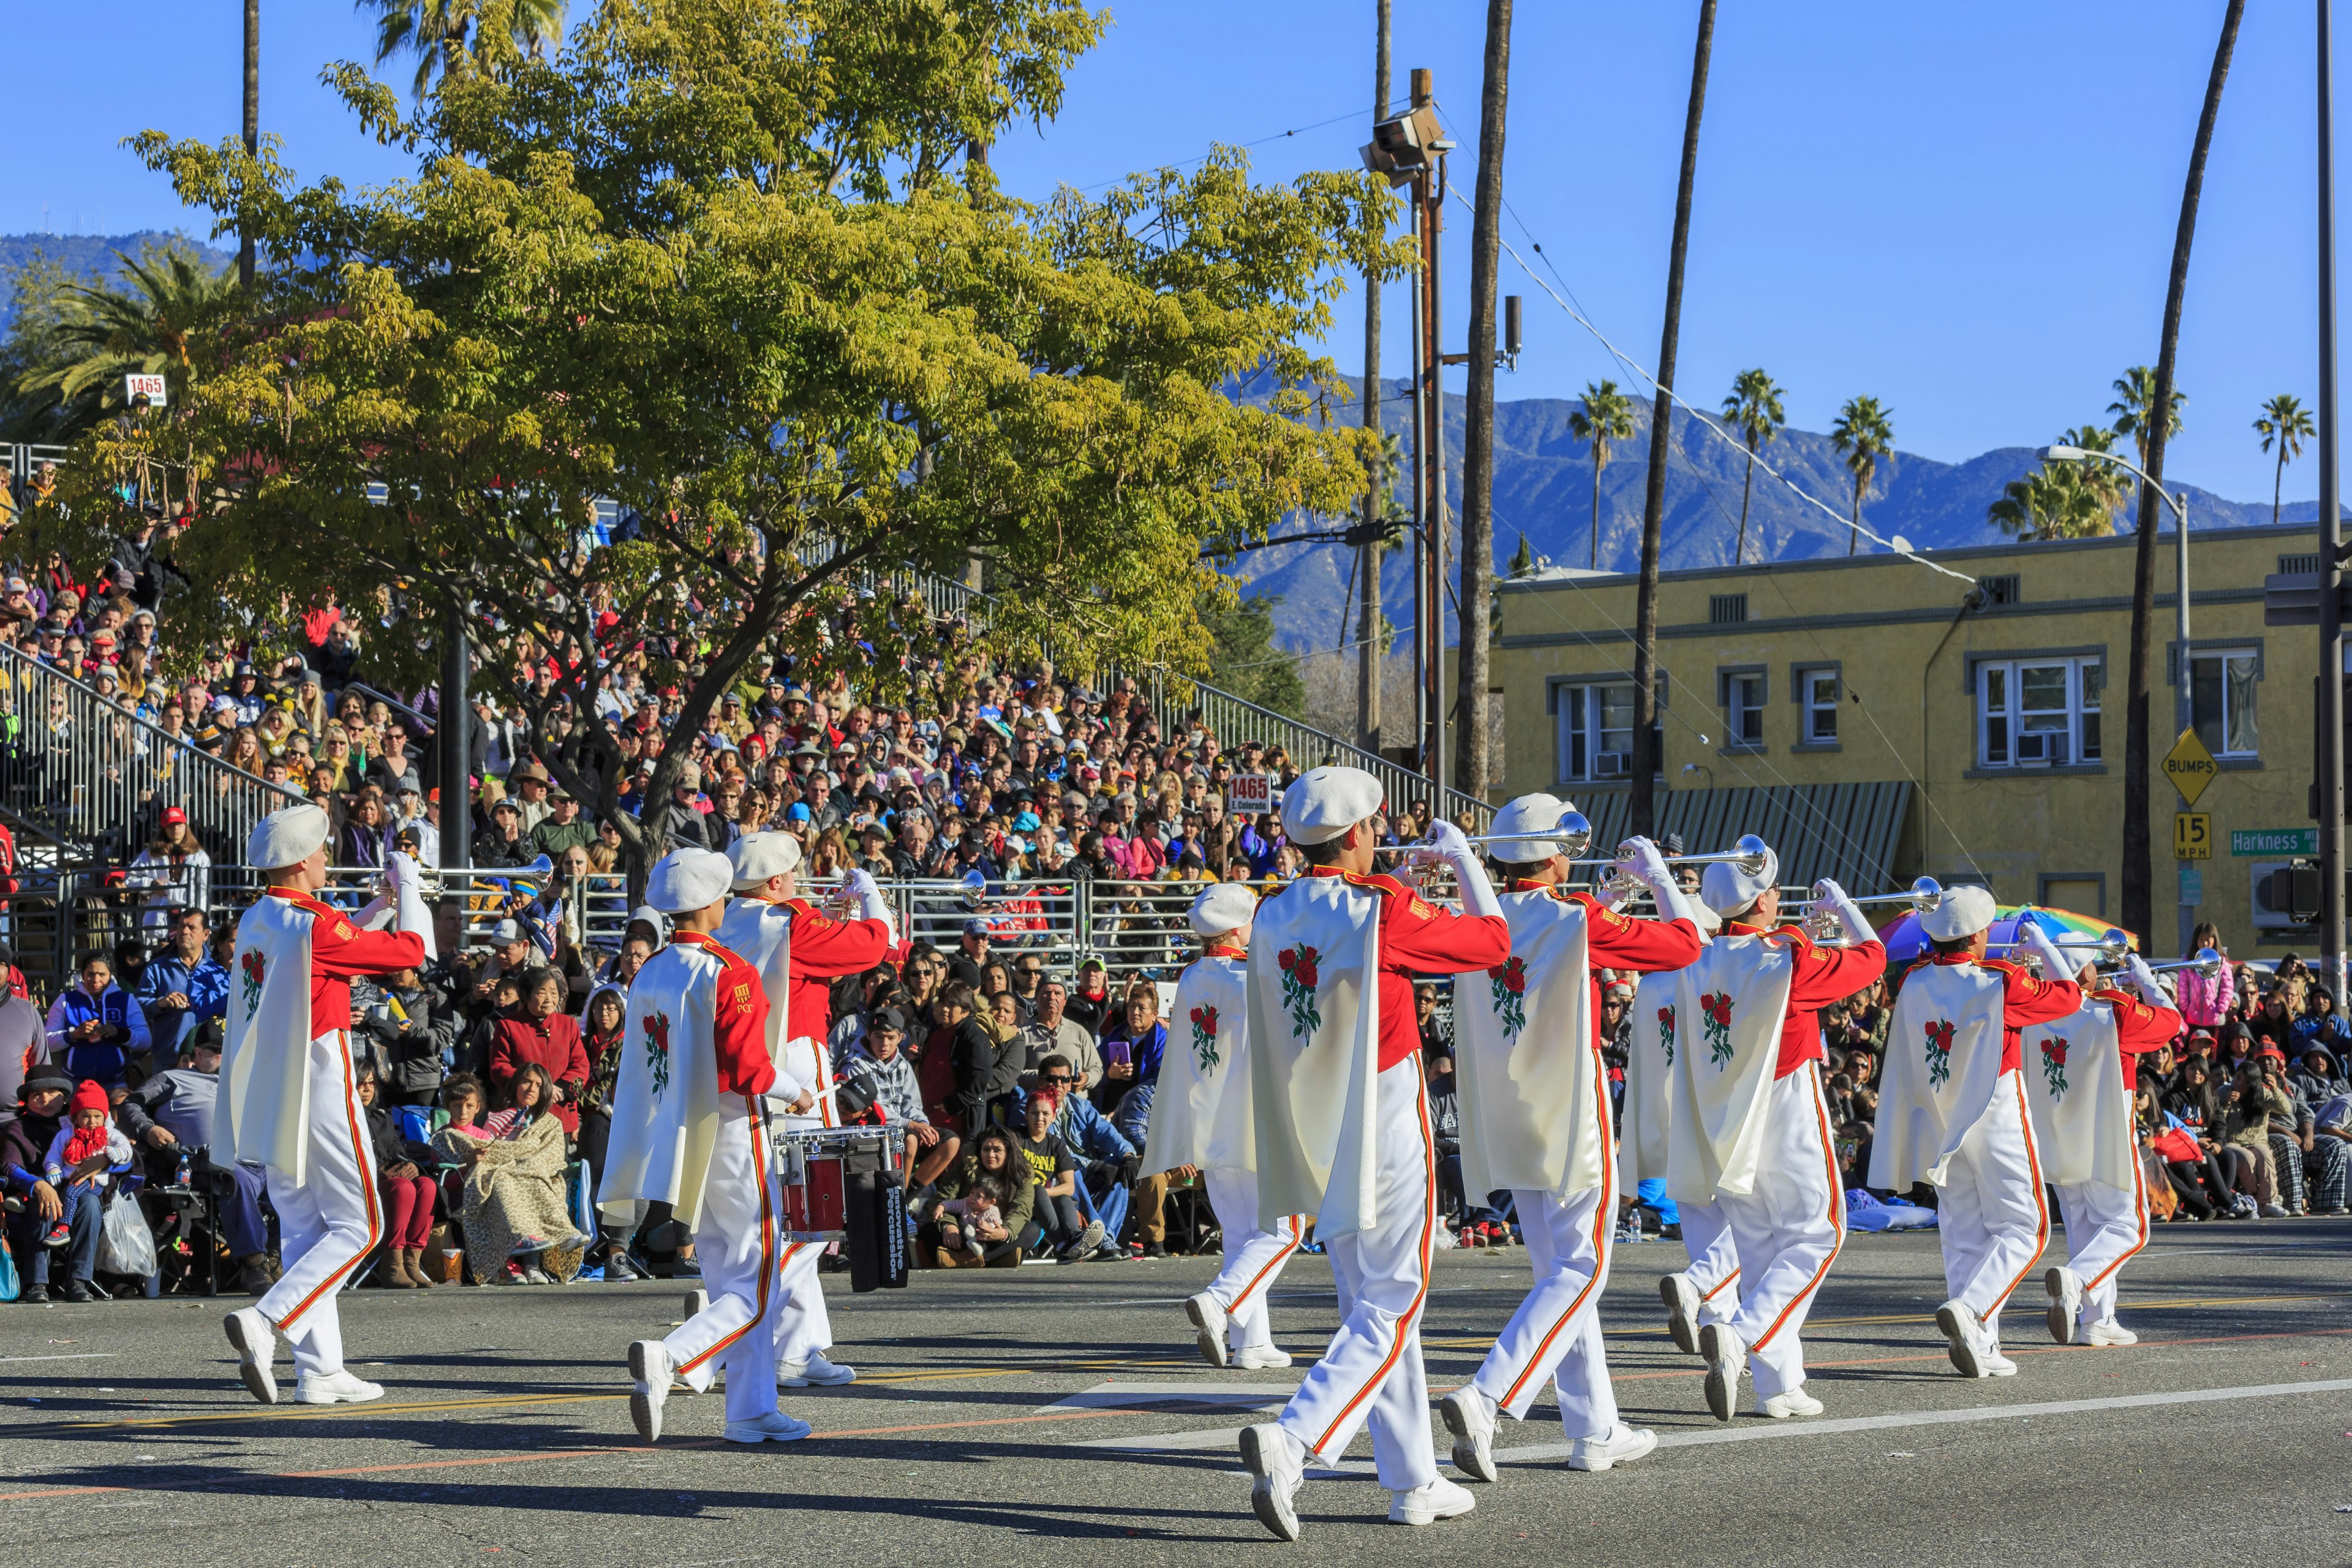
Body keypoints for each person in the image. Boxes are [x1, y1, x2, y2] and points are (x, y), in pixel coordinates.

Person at [1236, 766, 1510, 1540]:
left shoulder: (1273, 909)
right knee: (1395, 1300)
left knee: (1372, 1304)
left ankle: (1413, 1478)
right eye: (1377, 828)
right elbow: (1491, 944)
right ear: (1357, 833)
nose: (1382, 837)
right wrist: (1461, 865)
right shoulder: (1380, 905)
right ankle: (1295, 1442)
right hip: (1382, 1112)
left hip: (1313, 1124)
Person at [1437, 794, 1708, 1480]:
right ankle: (1489, 1394)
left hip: (1507, 1113)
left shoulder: (1481, 914)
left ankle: (1595, 1429)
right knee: (1583, 1270)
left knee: (1559, 1273)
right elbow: (1685, 946)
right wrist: (1658, 881)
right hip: (1569, 1112)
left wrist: (1613, 896)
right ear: (1552, 853)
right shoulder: (1576, 914)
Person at [1651, 848, 1886, 1425]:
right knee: (1818, 1234)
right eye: (1775, 893)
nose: (1780, 898)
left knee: (1758, 1248)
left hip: (1725, 1115)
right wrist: (1847, 910)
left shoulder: (1701, 954)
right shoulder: (1786, 957)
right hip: (1783, 1103)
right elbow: (1873, 960)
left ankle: (1778, 1386)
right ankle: (1740, 1333)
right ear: (1763, 901)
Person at [604, 846, 813, 1446]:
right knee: (760, 1278)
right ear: (710, 903)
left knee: (731, 1276)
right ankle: (671, 1356)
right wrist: (797, 1092)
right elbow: (750, 1069)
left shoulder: (652, 969)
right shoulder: (729, 970)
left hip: (682, 1133)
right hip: (733, 1131)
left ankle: (750, 1408)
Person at [221, 803, 429, 1406]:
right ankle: (267, 1319)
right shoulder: (312, 922)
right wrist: (409, 887)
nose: (327, 858)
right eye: (321, 850)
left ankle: (320, 1369)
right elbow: (410, 952)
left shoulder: (264, 915)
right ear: (302, 859)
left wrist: (382, 903)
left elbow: (337, 940)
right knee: (363, 1225)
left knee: (308, 1228)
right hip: (318, 1076)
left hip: (272, 1089)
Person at [1868, 892, 2082, 1379]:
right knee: (2025, 1228)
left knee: (1962, 1233)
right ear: (1981, 934)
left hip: (1941, 1118)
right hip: (1994, 1110)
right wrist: (2044, 949)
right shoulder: (1999, 980)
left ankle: (1981, 1343)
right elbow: (2068, 998)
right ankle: (1973, 1309)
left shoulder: (1915, 979)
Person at [717, 831, 897, 1390]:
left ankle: (799, 1343)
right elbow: (876, 946)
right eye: (792, 875)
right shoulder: (790, 924)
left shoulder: (737, 921)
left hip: (751, 1076)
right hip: (793, 1065)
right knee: (810, 1213)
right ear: (774, 882)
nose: (799, 882)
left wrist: (816, 913)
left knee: (783, 1216)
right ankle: (764, 1344)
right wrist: (870, 897)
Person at [1147, 883, 1301, 1369]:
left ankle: (1249, 1343)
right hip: (1254, 1124)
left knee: (1240, 1232)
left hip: (1211, 1126)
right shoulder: (1247, 977)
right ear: (1239, 928)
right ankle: (1221, 1301)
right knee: (1284, 1229)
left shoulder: (1191, 977)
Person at [2022, 955, 2182, 1348]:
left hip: (2057, 1140)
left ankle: (2096, 1320)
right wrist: (2146, 982)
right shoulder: (2111, 1008)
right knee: (2130, 1228)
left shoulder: (2031, 1013)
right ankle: (2076, 1282)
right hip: (2105, 1136)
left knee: (2085, 1229)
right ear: (2086, 971)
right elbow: (2170, 1022)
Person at [119, 1024, 273, 1292]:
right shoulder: (172, 1078)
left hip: (255, 1159)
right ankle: (254, 1264)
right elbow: (130, 1104)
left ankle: (279, 1258)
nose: (223, 1057)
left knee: (297, 1180)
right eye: (216, 1051)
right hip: (203, 1163)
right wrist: (149, 1128)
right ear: (198, 1053)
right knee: (235, 1177)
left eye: (227, 1051)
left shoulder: (240, 1081)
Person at [436, 1060, 586, 1285]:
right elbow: (487, 1147)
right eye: (526, 1081)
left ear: (544, 1090)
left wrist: (523, 1162)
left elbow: (552, 1157)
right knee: (504, 1181)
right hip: (501, 1174)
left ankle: (536, 1262)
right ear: (516, 1084)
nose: (531, 1088)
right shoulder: (495, 1117)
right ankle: (526, 1250)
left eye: (538, 1084)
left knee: (534, 1181)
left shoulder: (551, 1123)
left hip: (536, 1174)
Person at [353, 1066, 439, 1289]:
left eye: (371, 1083)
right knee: (403, 1188)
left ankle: (412, 1263)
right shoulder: (343, 1118)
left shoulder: (383, 1118)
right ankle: (392, 1264)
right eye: (361, 1083)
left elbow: (396, 1149)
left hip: (390, 1177)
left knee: (426, 1185)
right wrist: (379, 1172)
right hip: (361, 1182)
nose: (367, 1089)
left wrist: (409, 1164)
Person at [46, 951, 152, 1092]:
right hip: (75, 1084)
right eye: (90, 974)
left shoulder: (126, 1000)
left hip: (117, 1083)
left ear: (111, 975)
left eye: (102, 975)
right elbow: (46, 1041)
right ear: (82, 975)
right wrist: (74, 1034)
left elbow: (146, 1041)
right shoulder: (65, 1000)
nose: (96, 980)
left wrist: (118, 1033)